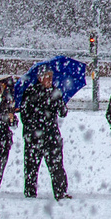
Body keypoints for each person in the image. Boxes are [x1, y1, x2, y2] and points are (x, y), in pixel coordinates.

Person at [20, 63, 71, 200]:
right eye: (46, 76)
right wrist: (36, 125)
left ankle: (60, 192)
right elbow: (25, 115)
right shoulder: (31, 92)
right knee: (31, 166)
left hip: (51, 136)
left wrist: (59, 101)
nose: (49, 79)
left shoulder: (55, 92)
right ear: (39, 77)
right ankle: (30, 192)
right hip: (34, 136)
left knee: (56, 166)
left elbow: (63, 112)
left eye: (51, 77)